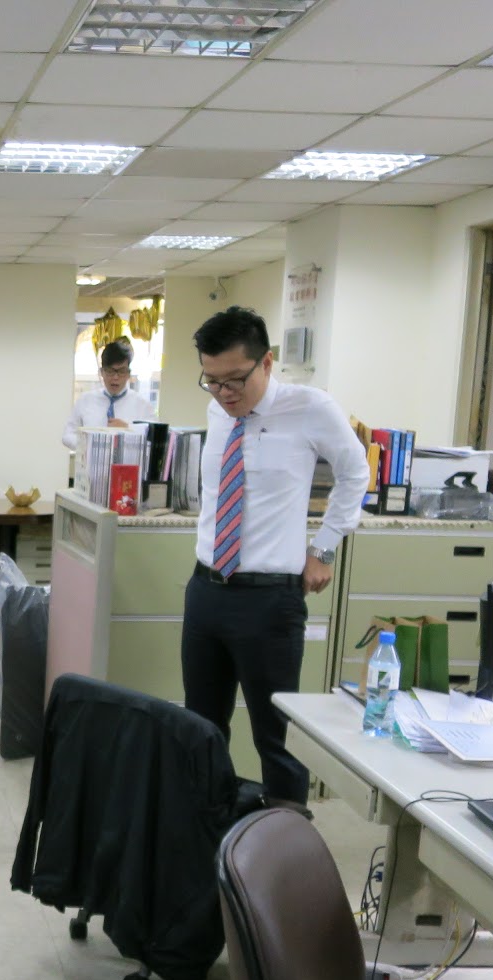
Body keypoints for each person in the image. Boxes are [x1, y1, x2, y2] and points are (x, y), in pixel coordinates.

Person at [182, 306, 368, 806]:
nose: (224, 393)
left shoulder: (311, 408)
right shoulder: (218, 411)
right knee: (200, 727)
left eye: (235, 380)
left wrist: (324, 548)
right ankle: (205, 827)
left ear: (266, 362)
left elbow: (356, 472)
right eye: (212, 381)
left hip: (268, 601)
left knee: (277, 736)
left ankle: (285, 838)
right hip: (205, 591)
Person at [62, 338, 156, 449]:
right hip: (91, 459)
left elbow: (154, 440)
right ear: (101, 372)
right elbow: (67, 435)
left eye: (121, 371)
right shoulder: (85, 400)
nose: (115, 377)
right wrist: (87, 444)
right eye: (110, 371)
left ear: (128, 374)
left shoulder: (143, 405)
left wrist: (129, 429)